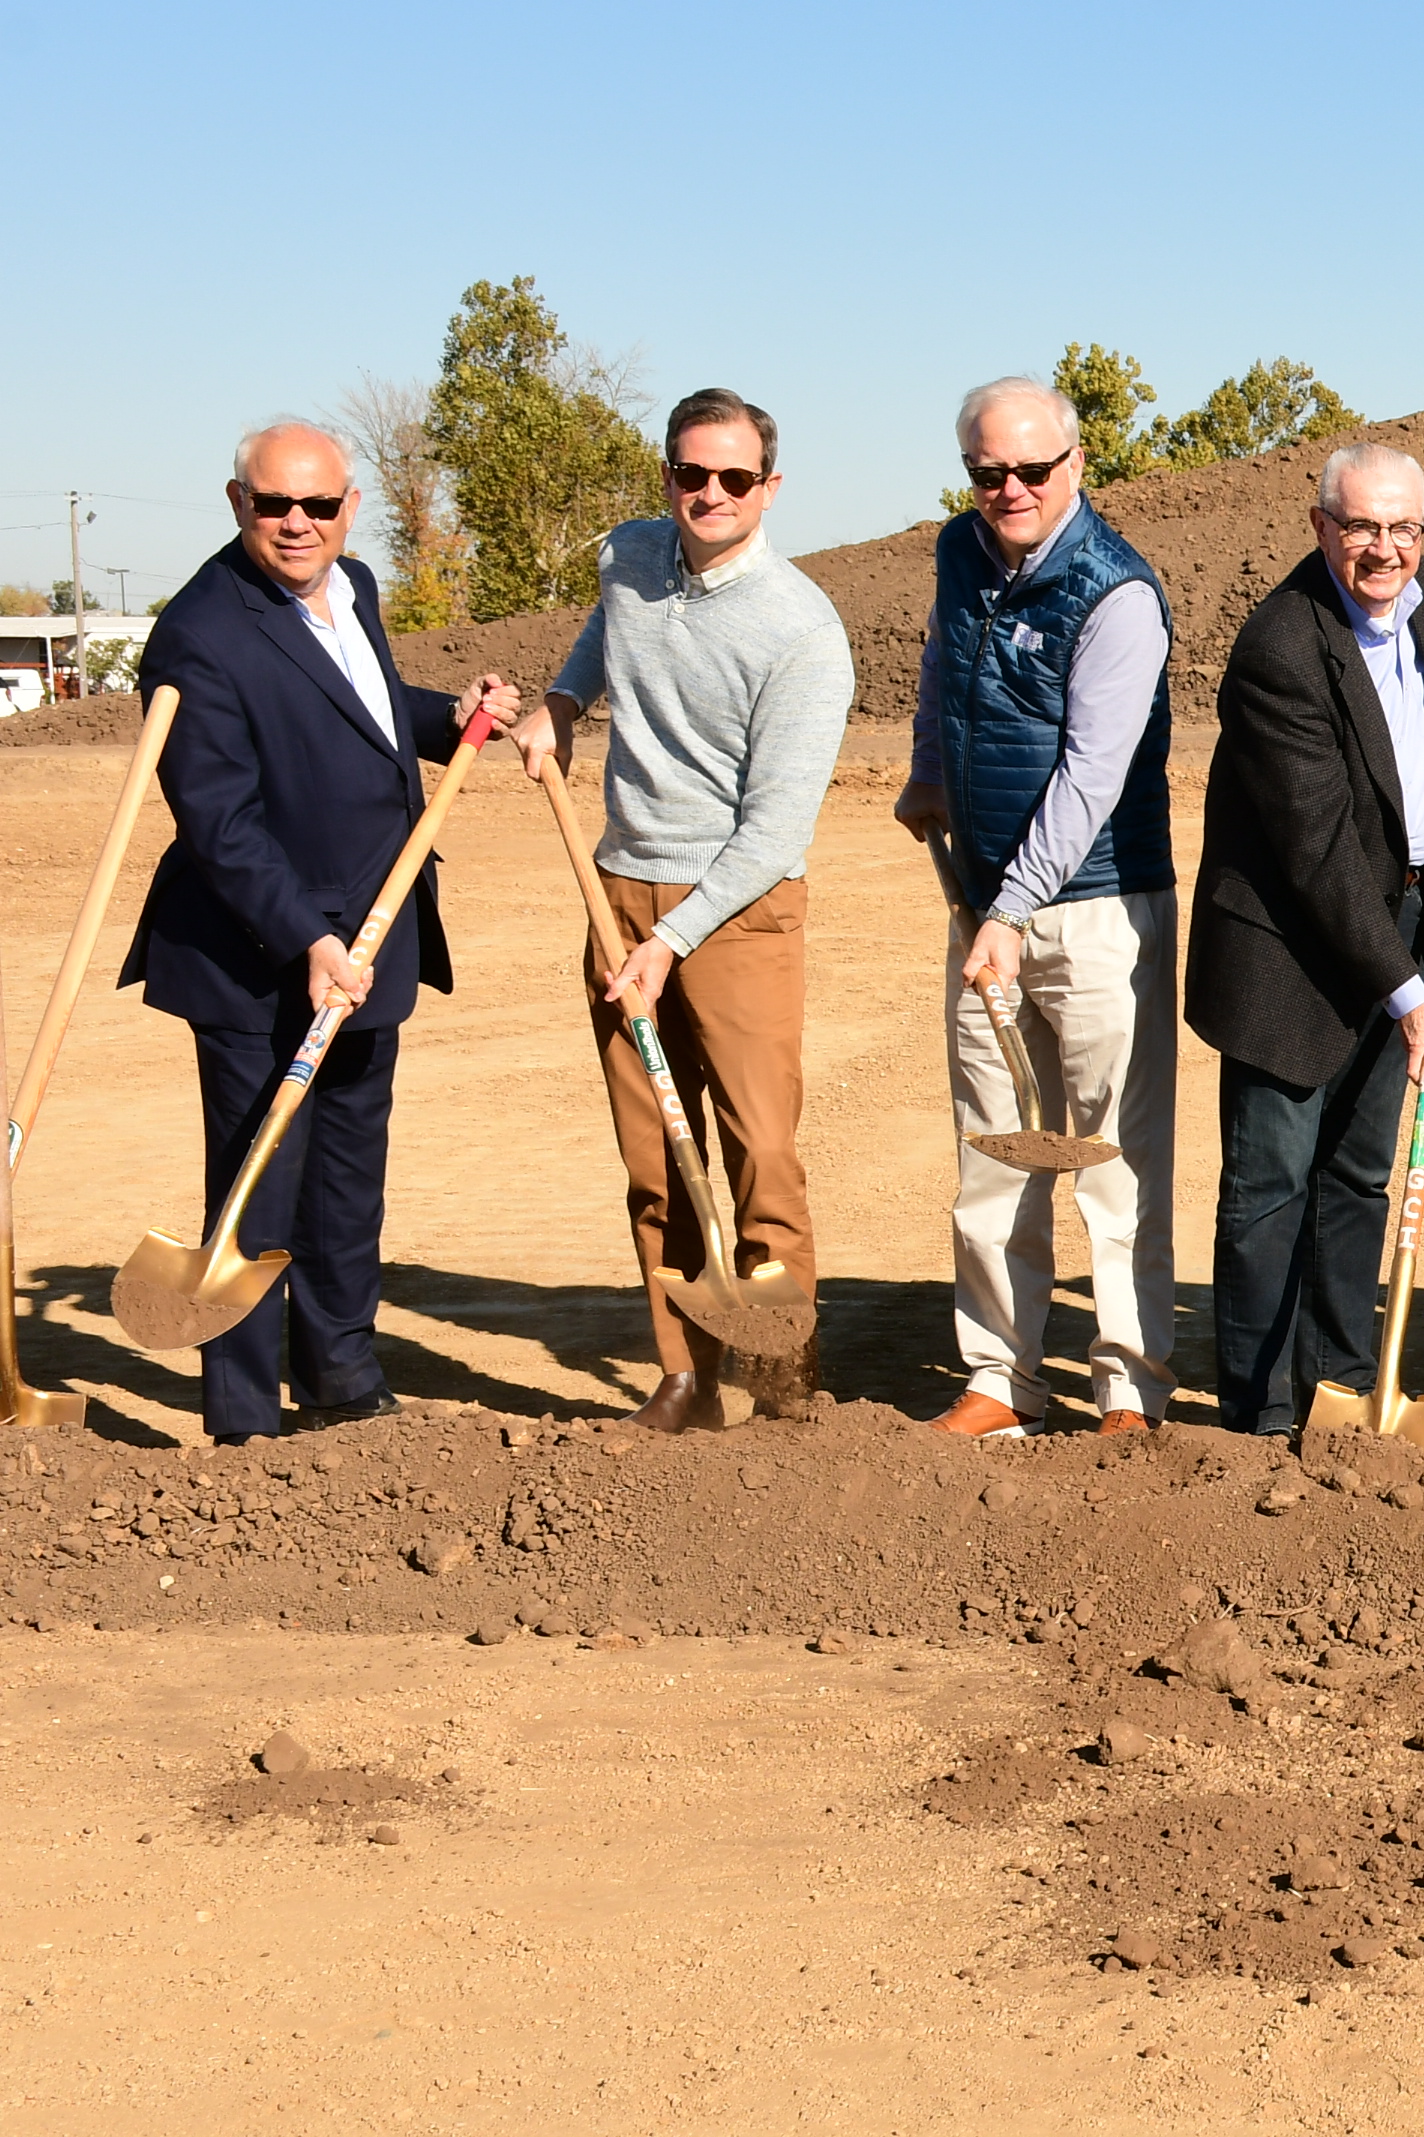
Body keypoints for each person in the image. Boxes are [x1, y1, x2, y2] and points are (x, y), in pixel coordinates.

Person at [124, 422, 521, 1444]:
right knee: (261, 1183)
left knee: (347, 1173)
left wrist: (452, 719)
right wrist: (306, 938)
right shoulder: (200, 634)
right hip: (261, 958)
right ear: (236, 502)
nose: (296, 524)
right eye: (273, 505)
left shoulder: (354, 587)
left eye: (317, 505)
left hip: (374, 933)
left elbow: (366, 708)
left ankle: (341, 1372)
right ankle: (247, 1416)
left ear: (349, 507)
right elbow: (219, 818)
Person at [513, 388, 856, 1433]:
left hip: (739, 911)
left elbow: (772, 831)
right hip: (614, 886)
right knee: (655, 1151)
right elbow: (600, 639)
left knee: (759, 1148)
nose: (709, 493)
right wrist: (562, 704)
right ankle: (683, 1375)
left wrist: (672, 940)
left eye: (734, 478)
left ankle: (783, 1375)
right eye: (690, 473)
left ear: (770, 488)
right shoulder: (627, 554)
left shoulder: (801, 631)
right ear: (667, 473)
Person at [1187, 443, 1424, 1437]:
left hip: (1400, 914)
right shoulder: (1280, 646)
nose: (1384, 548)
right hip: (1289, 949)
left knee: (1361, 1172)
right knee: (1272, 1182)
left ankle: (1343, 1386)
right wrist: (1410, 996)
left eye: (1403, 527)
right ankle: (1262, 1413)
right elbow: (1314, 851)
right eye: (1361, 526)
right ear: (1321, 526)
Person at [895, 376, 1180, 1437]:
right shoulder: (959, 554)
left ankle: (1126, 1391)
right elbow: (941, 664)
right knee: (993, 1150)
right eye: (987, 472)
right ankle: (999, 1379)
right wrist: (929, 767)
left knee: (1114, 1162)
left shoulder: (1118, 593)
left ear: (1076, 465)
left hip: (1099, 910)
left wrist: (1012, 911)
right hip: (986, 910)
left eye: (1031, 469)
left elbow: (1093, 775)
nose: (1009, 488)